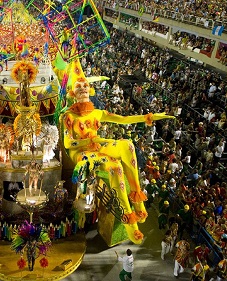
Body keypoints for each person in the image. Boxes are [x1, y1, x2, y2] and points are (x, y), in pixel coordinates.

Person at [62, 71, 174, 244]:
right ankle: (130, 222)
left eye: (85, 85)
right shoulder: (69, 116)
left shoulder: (97, 113)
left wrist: (148, 117)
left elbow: (123, 119)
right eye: (79, 86)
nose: (83, 88)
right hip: (82, 153)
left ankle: (138, 199)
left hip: (98, 147)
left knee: (127, 145)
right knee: (115, 167)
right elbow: (69, 144)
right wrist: (92, 139)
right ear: (72, 92)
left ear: (90, 89)